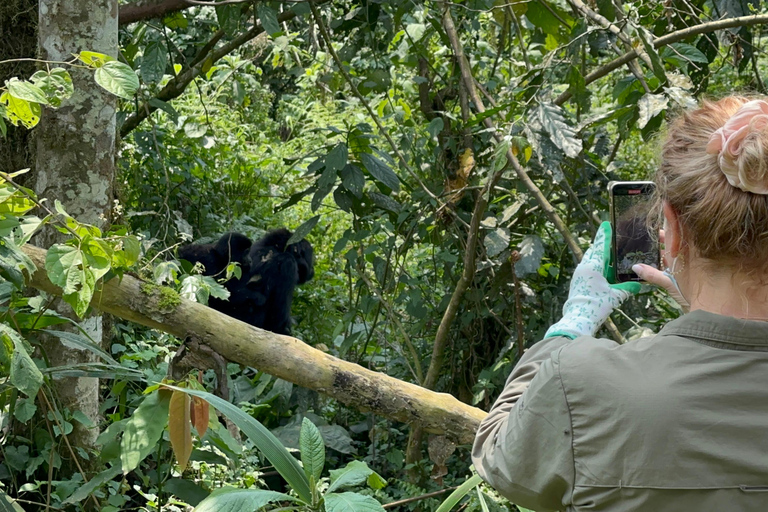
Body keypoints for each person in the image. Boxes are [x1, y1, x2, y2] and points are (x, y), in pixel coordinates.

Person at [472, 96, 768, 511]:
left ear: (673, 230)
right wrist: (700, 310)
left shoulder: (580, 382)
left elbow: (501, 458)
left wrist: (572, 324)